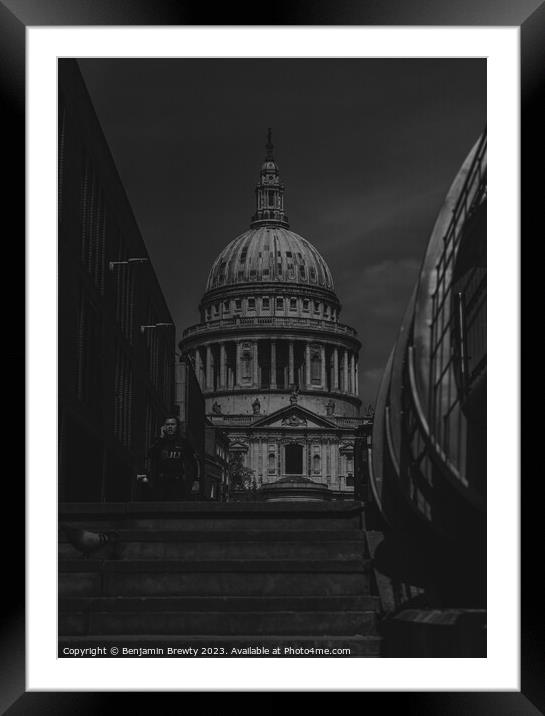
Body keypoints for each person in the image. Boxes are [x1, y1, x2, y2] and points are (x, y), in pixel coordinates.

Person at [148, 417, 197, 500]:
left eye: (172, 424)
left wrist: (196, 480)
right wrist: (161, 438)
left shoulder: (183, 443)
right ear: (164, 427)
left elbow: (194, 461)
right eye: (167, 424)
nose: (170, 427)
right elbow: (151, 455)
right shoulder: (159, 442)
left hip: (177, 483)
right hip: (161, 483)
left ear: (177, 427)